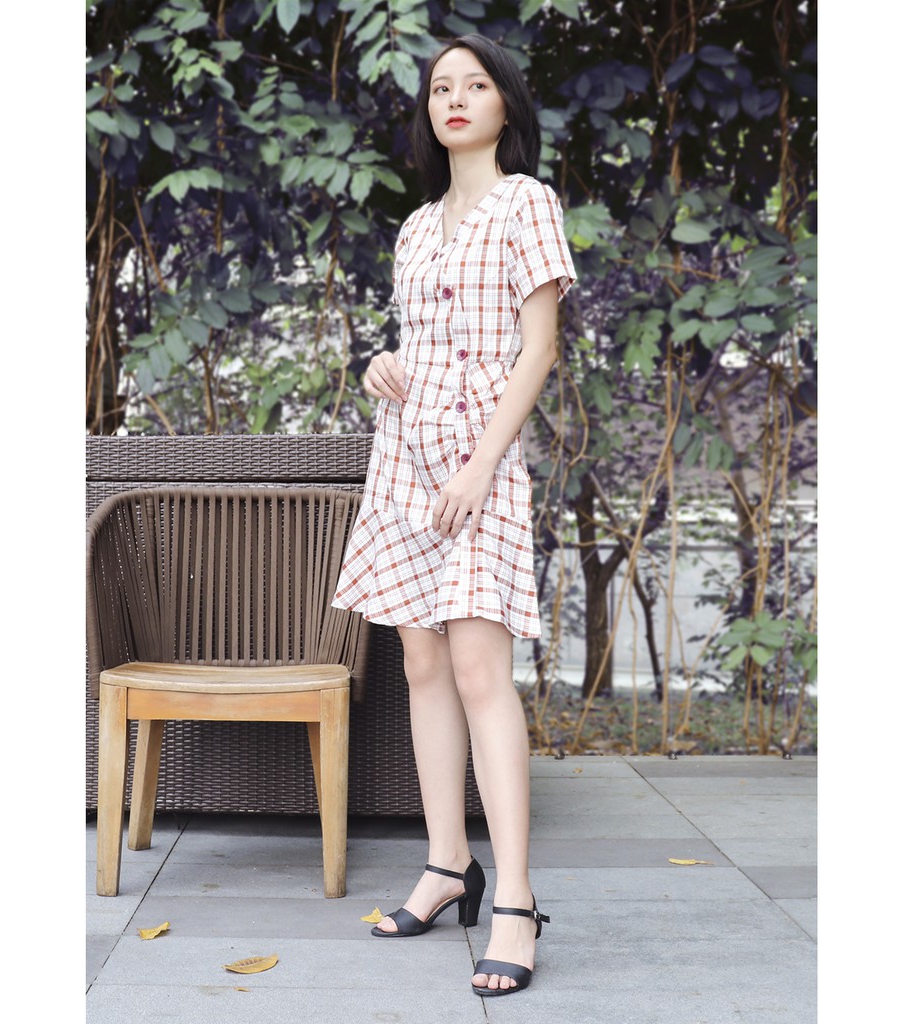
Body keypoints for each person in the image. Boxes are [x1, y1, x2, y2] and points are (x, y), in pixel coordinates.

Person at [331, 33, 575, 997]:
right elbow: (417, 343)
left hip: (481, 459)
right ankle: (446, 865)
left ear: (506, 103)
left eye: (476, 84)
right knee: (422, 662)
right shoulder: (416, 225)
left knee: (479, 669)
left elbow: (538, 349)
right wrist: (379, 366)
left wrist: (480, 466)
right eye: (441, 87)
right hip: (402, 456)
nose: (457, 99)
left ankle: (513, 896)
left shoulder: (528, 203)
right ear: (429, 111)